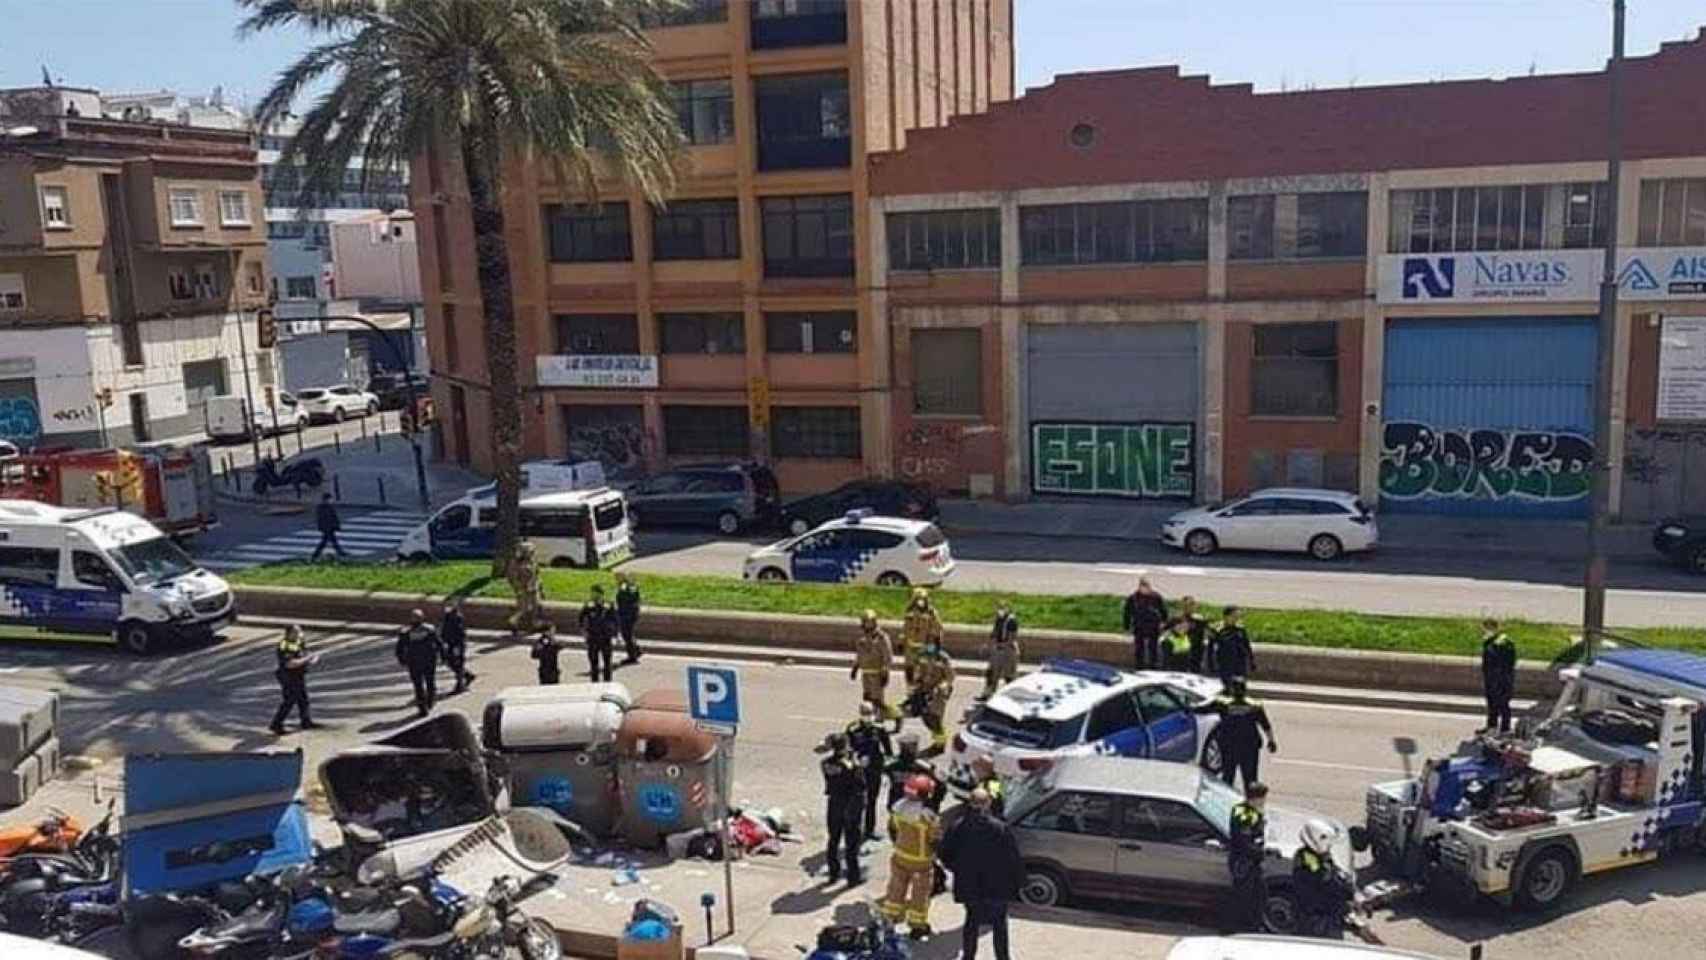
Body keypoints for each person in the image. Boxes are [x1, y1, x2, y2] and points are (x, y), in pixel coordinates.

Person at [939, 787, 1021, 960]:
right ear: (987, 804)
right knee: (999, 923)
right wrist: (1018, 881)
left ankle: (968, 957)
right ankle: (1002, 957)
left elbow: (944, 853)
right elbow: (1013, 856)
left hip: (969, 884)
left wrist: (958, 868)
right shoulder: (999, 828)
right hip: (996, 885)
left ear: (970, 803)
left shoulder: (958, 826)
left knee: (972, 921)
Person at [881, 775, 943, 940]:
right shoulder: (928, 816)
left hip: (900, 855)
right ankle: (917, 927)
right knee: (920, 895)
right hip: (921, 861)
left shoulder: (899, 808)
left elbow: (893, 828)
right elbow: (935, 837)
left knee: (896, 888)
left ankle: (889, 918)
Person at [1192, 677, 1277, 789]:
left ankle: (1227, 803)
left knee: (1227, 777)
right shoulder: (1254, 705)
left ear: (1232, 690)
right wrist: (1271, 741)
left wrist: (1186, 705)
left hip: (1229, 745)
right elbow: (1265, 725)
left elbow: (1201, 709)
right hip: (1249, 747)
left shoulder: (1222, 703)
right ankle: (1251, 803)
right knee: (1251, 780)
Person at [816, 732, 866, 885]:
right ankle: (853, 876)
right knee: (851, 843)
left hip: (834, 803)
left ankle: (833, 873)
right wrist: (857, 764)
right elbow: (861, 784)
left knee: (834, 839)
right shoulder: (852, 766)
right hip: (850, 805)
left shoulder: (825, 763)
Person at [1293, 818, 1356, 940]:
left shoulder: (1311, 855)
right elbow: (1328, 884)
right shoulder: (1310, 862)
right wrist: (1347, 898)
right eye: (1327, 844)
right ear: (1316, 841)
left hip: (1321, 914)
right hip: (1318, 920)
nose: (1329, 847)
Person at [1226, 782, 1270, 933]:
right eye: (1263, 798)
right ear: (1256, 798)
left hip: (1251, 861)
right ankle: (1239, 928)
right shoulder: (1243, 814)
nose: (1264, 802)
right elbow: (1243, 841)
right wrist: (1260, 853)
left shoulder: (1252, 811)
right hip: (1244, 862)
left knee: (1259, 895)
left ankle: (1253, 925)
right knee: (1244, 897)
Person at [846, 702, 893, 841]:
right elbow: (848, 748)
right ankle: (856, 830)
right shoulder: (853, 729)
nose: (868, 717)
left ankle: (869, 830)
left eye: (870, 713)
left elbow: (888, 751)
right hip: (859, 771)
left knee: (872, 801)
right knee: (858, 801)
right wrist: (856, 759)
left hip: (875, 769)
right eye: (865, 714)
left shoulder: (879, 728)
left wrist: (886, 770)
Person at [851, 610, 899, 727]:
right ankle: (870, 719)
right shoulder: (862, 639)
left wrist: (885, 671)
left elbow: (888, 656)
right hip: (866, 673)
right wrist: (855, 668)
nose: (867, 624)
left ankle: (895, 715)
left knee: (877, 701)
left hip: (877, 673)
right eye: (865, 622)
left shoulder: (882, 638)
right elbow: (859, 655)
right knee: (867, 698)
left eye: (869, 622)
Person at [908, 639, 955, 755]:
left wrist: (941, 687)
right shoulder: (923, 655)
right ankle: (938, 741)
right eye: (928, 644)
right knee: (926, 718)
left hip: (938, 693)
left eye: (932, 644)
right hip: (925, 690)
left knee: (935, 719)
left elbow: (950, 677)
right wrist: (916, 683)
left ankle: (940, 745)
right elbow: (918, 671)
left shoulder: (943, 658)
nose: (929, 646)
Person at [269, 625, 318, 734]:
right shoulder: (284, 646)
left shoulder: (299, 641)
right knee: (289, 700)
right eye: (296, 632)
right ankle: (276, 724)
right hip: (287, 676)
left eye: (299, 632)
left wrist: (312, 658)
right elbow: (290, 664)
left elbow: (306, 653)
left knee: (303, 699)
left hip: (299, 674)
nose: (299, 634)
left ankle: (306, 721)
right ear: (288, 633)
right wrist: (307, 659)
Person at [884, 733, 945, 817]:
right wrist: (934, 804)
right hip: (916, 808)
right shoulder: (923, 766)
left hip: (896, 805)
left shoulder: (891, 765)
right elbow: (940, 786)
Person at [395, 609, 440, 717]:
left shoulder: (406, 632)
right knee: (427, 682)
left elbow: (399, 649)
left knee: (419, 684)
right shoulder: (429, 630)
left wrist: (402, 659)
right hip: (425, 660)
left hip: (416, 662)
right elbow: (439, 643)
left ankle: (423, 705)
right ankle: (428, 701)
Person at [1480, 618, 1517, 734]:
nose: (1485, 631)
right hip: (1491, 679)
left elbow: (1506, 662)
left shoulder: (1503, 642)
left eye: (1488, 628)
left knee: (1502, 704)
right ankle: (1492, 727)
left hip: (1501, 680)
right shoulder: (1490, 641)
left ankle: (1505, 729)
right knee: (1491, 704)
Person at [1122, 578, 1168, 669]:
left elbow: (1163, 610)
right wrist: (1126, 627)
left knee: (1153, 647)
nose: (1146, 589)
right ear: (1139, 587)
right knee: (1139, 648)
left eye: (1147, 587)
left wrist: (1164, 622)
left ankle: (1153, 665)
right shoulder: (1133, 598)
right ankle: (1139, 666)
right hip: (1139, 626)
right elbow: (1127, 613)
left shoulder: (1156, 596)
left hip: (1153, 626)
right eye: (1143, 587)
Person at [900, 588, 943, 684]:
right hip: (911, 645)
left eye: (923, 599)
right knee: (909, 666)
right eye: (918, 599)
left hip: (927, 644)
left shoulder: (931, 613)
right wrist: (902, 641)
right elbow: (905, 628)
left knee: (927, 665)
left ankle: (926, 684)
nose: (920, 601)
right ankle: (910, 685)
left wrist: (937, 643)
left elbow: (938, 627)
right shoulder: (909, 612)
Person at [579, 585, 619, 683]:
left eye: (596, 593)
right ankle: (594, 683)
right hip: (593, 638)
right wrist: (584, 633)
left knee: (607, 663)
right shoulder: (588, 606)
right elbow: (581, 620)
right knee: (593, 663)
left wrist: (616, 635)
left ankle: (607, 683)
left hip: (605, 637)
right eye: (592, 593)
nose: (594, 595)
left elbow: (616, 621)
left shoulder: (608, 606)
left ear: (601, 594)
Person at [1209, 606, 1256, 684]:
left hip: (1239, 664)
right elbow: (1211, 649)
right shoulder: (1217, 630)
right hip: (1224, 663)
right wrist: (1211, 664)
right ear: (1226, 617)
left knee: (1240, 688)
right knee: (1226, 688)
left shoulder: (1240, 629)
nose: (1236, 619)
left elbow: (1247, 646)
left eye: (1238, 617)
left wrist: (1251, 661)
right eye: (1234, 616)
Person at [506, 541, 544, 636]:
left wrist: (539, 586)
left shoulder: (533, 561)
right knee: (523, 608)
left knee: (536, 605)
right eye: (530, 551)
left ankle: (535, 624)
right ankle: (513, 621)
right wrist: (518, 588)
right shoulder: (515, 562)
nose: (532, 553)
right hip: (523, 588)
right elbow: (512, 577)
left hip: (533, 587)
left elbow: (537, 574)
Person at [983, 605, 1020, 699]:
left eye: (1002, 609)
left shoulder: (1012, 621)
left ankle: (1012, 697)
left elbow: (1012, 638)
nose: (999, 611)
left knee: (1009, 676)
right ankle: (988, 694)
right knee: (991, 673)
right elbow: (994, 634)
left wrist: (1002, 645)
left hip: (1008, 650)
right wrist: (988, 646)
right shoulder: (999, 619)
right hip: (997, 650)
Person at [438, 601, 474, 694]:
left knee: (457, 663)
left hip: (456, 645)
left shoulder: (457, 617)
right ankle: (467, 675)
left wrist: (457, 647)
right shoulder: (447, 616)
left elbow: (460, 633)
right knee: (450, 662)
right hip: (450, 643)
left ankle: (460, 685)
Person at [1176, 596, 1211, 675]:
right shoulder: (1177, 619)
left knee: (1195, 670)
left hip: (1196, 650)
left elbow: (1208, 631)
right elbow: (1168, 631)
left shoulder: (1199, 619)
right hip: (1181, 651)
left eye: (1191, 605)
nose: (1188, 608)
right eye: (1186, 605)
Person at [615, 573, 643, 665]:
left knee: (626, 634)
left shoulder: (625, 587)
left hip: (627, 614)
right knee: (628, 634)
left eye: (618, 577)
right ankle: (636, 650)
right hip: (630, 613)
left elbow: (626, 599)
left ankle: (632, 656)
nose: (616, 579)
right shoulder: (629, 586)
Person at [311, 494, 346, 561]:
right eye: (329, 499)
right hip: (327, 528)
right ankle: (340, 552)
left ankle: (316, 554)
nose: (331, 501)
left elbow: (334, 517)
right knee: (328, 541)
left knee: (328, 541)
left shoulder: (329, 507)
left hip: (330, 527)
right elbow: (322, 519)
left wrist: (336, 526)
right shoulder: (322, 508)